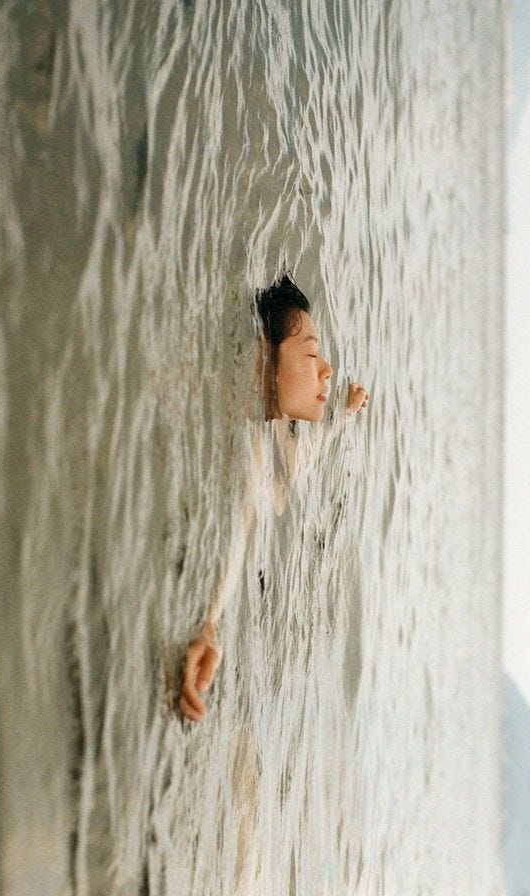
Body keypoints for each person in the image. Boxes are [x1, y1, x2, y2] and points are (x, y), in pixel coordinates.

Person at [178, 273, 370, 723]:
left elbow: (300, 460)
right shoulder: (250, 446)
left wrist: (344, 414)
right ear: (266, 359)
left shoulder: (263, 433)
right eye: (311, 354)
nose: (326, 369)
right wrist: (208, 624)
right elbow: (240, 524)